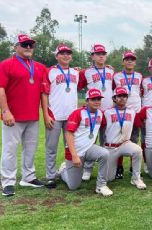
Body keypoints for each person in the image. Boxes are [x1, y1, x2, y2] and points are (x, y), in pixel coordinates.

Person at [0, 34, 47, 197]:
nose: (28, 47)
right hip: (13, 116)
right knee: (10, 149)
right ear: (16, 47)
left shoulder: (39, 67)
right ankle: (8, 182)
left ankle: (28, 177)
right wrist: (5, 111)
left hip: (32, 116)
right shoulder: (5, 64)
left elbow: (55, 73)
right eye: (25, 44)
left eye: (31, 44)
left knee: (30, 148)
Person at [58, 88, 112, 196]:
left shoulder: (100, 114)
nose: (97, 101)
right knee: (73, 186)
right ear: (87, 101)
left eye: (98, 99)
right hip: (75, 151)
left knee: (105, 153)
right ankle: (64, 170)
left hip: (88, 149)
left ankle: (101, 186)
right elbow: (68, 134)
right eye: (93, 99)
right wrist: (74, 155)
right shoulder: (78, 113)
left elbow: (100, 129)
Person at [41, 44, 79, 189]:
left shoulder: (76, 73)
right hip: (54, 115)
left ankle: (70, 173)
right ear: (57, 56)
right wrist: (45, 114)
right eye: (62, 53)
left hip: (71, 116)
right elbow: (44, 93)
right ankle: (50, 176)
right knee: (51, 147)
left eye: (68, 53)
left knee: (70, 147)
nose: (66, 55)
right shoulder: (50, 71)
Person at [78, 43, 114, 180]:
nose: (101, 56)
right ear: (92, 56)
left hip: (108, 111)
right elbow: (79, 85)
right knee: (90, 140)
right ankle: (87, 168)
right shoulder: (85, 72)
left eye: (103, 54)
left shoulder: (111, 71)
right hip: (92, 111)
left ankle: (105, 167)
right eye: (98, 54)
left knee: (106, 140)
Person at [103, 87, 146, 189]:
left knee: (137, 150)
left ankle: (136, 178)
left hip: (124, 144)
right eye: (119, 96)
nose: (122, 98)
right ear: (114, 98)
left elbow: (143, 120)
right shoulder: (106, 112)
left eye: (124, 96)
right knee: (109, 178)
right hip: (111, 147)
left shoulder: (132, 112)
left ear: (127, 98)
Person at [113, 50, 143, 179]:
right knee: (118, 139)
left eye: (132, 59)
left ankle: (132, 167)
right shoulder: (116, 76)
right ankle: (118, 167)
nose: (130, 61)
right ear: (123, 61)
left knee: (134, 140)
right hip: (120, 111)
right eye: (127, 59)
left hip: (135, 112)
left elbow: (140, 91)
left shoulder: (140, 76)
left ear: (135, 62)